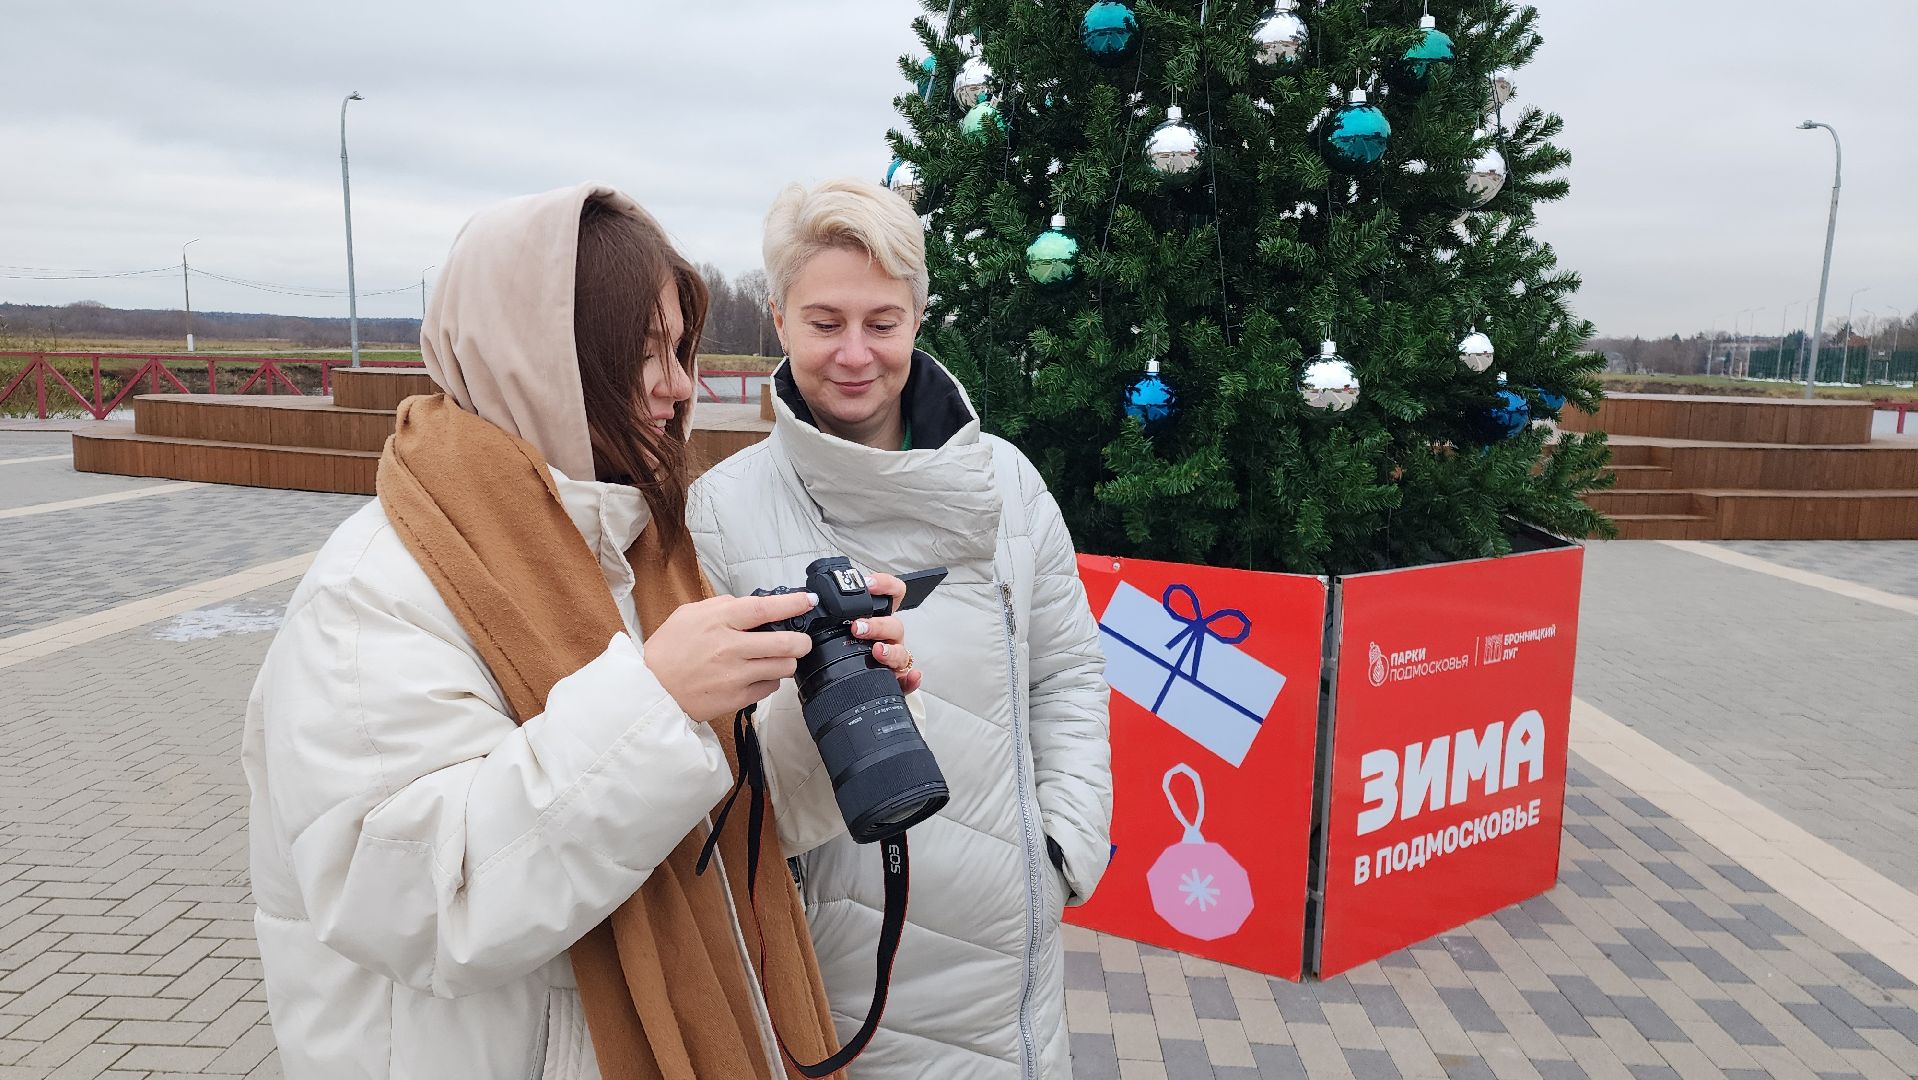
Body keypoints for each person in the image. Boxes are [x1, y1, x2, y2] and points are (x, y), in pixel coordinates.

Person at [242, 182, 920, 1080]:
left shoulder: (633, 546)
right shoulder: (375, 591)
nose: (679, 387)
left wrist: (828, 713)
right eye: (642, 356)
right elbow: (417, 903)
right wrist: (656, 705)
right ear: (539, 361)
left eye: (680, 349)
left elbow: (711, 828)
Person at [688, 178, 1113, 1080]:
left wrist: (1063, 849)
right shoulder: (720, 513)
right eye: (824, 322)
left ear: (919, 316)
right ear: (779, 319)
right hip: (831, 981)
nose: (854, 354)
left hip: (1011, 967)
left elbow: (1068, 674)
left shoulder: (1009, 484)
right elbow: (708, 758)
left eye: (882, 322)